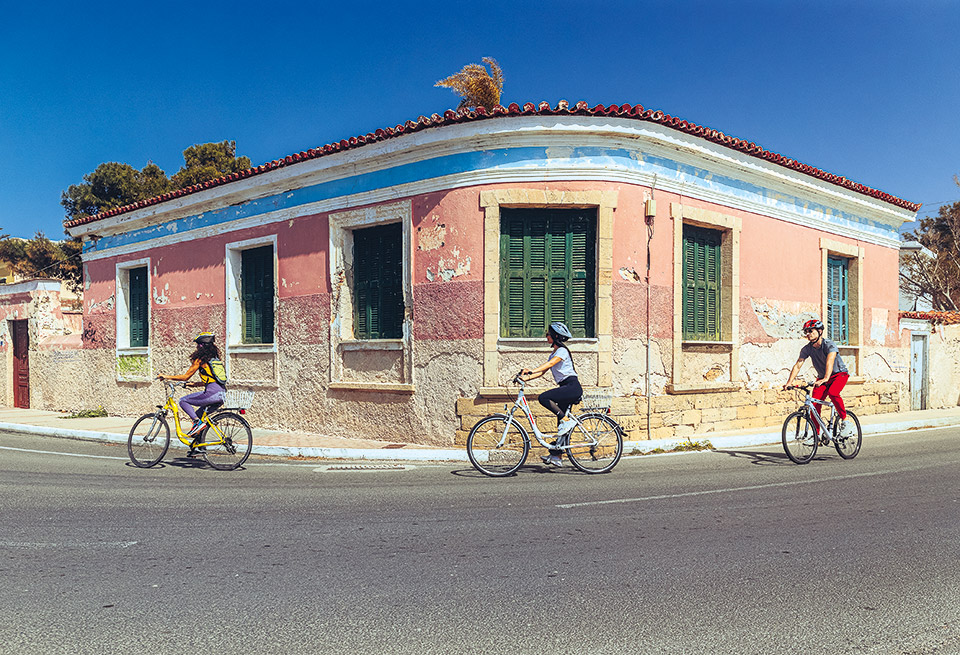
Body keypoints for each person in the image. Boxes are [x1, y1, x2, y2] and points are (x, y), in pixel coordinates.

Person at [520, 321, 583, 468]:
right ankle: (557, 457)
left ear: (555, 336)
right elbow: (542, 372)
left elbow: (548, 365)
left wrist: (531, 370)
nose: (546, 336)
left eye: (548, 334)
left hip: (572, 386)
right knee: (561, 424)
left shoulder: (562, 351)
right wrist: (526, 378)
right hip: (566, 387)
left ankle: (567, 421)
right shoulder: (553, 353)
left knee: (544, 397)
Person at [783, 318, 853, 442]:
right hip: (822, 378)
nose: (808, 334)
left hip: (839, 374)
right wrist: (789, 382)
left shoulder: (829, 344)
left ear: (820, 331)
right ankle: (817, 435)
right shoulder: (807, 349)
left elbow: (830, 361)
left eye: (811, 331)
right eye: (806, 332)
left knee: (833, 393)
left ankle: (846, 422)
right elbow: (798, 364)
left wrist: (826, 378)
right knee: (814, 405)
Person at [157, 332, 227, 446]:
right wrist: (193, 384)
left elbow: (185, 376)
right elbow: (211, 380)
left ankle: (196, 422)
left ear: (201, 346)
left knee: (183, 401)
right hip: (221, 394)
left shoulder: (200, 359)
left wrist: (166, 376)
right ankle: (199, 447)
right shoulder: (214, 360)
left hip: (212, 394)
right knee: (199, 415)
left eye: (197, 344)